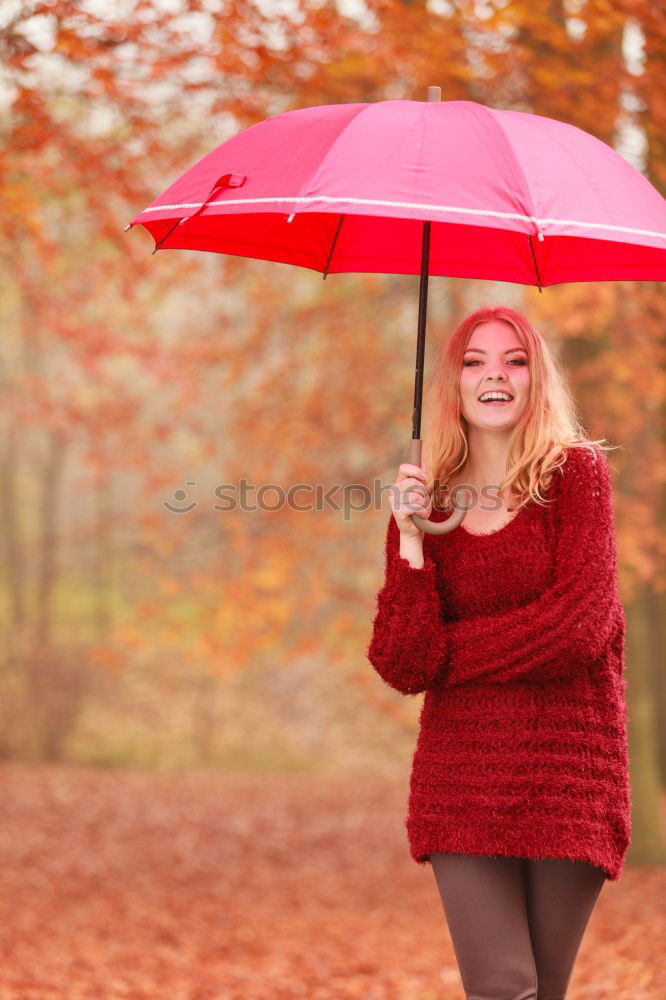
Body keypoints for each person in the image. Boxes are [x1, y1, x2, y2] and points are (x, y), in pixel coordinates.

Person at [366, 306, 631, 1000]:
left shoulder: (577, 476)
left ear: (536, 380)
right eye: (475, 361)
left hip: (567, 774)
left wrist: (449, 657)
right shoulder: (426, 501)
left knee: (542, 990)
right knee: (503, 986)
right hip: (463, 778)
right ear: (452, 383)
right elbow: (401, 661)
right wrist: (411, 539)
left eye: (514, 361)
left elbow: (578, 627)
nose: (495, 376)